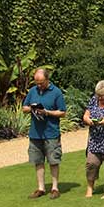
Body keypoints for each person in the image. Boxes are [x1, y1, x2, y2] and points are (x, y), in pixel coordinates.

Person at [22, 68, 66, 199]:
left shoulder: (56, 92)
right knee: (38, 161)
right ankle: (40, 188)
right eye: (37, 82)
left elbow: (63, 112)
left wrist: (47, 112)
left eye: (41, 82)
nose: (39, 85)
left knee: (53, 160)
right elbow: (24, 108)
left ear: (47, 79)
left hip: (51, 132)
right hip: (35, 133)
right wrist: (32, 108)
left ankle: (54, 188)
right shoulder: (32, 91)